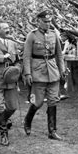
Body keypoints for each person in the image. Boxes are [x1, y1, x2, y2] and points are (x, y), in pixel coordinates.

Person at [22, 10, 66, 140]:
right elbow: (26, 56)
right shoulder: (32, 36)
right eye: (45, 22)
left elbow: (59, 54)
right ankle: (27, 120)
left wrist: (61, 69)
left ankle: (52, 131)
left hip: (52, 71)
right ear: (38, 22)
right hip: (38, 71)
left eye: (49, 21)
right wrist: (28, 73)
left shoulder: (54, 34)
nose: (48, 24)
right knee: (38, 102)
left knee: (53, 100)